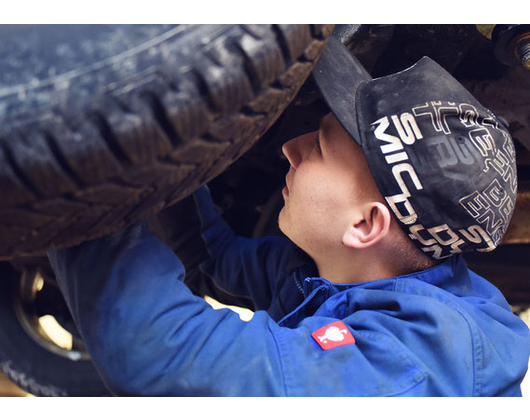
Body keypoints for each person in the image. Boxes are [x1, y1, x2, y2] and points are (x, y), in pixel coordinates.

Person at [48, 36, 530, 397]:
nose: (289, 148)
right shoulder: (335, 270)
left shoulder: (410, 361)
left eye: (318, 147)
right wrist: (174, 154)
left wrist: (80, 165)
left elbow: (160, 355)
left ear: (365, 225)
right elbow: (210, 256)